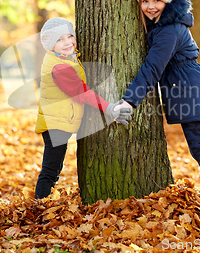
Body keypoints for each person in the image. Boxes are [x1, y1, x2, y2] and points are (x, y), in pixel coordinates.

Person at [119, 0, 200, 204]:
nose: (150, 6)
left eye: (156, 0)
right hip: (186, 86)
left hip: (190, 90)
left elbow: (152, 68)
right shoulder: (162, 26)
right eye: (144, 1)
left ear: (167, 1)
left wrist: (129, 100)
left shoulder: (169, 31)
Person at [35, 17, 132, 199]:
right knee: (50, 170)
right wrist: (110, 108)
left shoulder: (65, 58)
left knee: (53, 169)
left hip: (59, 120)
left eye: (69, 36)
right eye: (59, 39)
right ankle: (39, 207)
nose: (67, 42)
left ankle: (42, 204)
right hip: (55, 124)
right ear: (50, 45)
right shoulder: (58, 67)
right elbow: (81, 92)